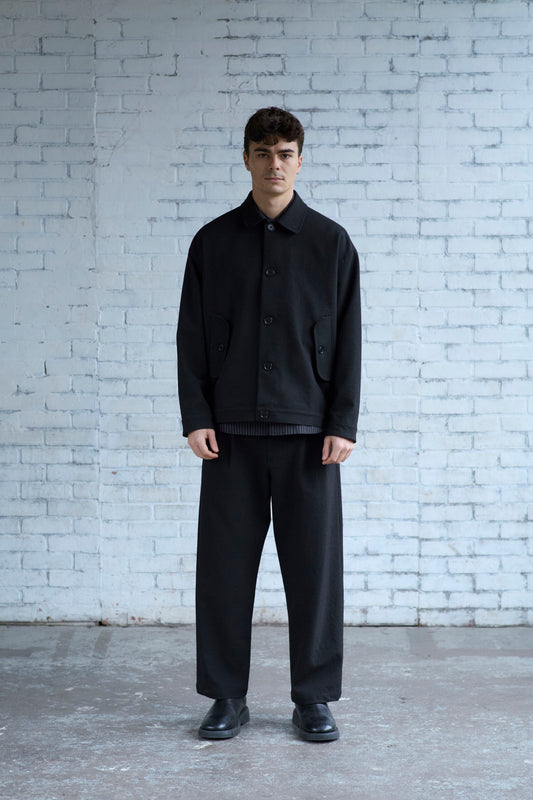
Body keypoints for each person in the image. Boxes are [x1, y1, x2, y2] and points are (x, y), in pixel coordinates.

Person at [177, 107, 361, 742]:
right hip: (229, 435)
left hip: (310, 436)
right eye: (263, 153)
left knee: (315, 574)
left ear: (300, 161)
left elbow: (349, 340)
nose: (274, 165)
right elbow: (191, 336)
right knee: (223, 572)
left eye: (285, 153)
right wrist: (196, 416)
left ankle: (314, 697)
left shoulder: (331, 243)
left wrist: (343, 421)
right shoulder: (213, 242)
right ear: (246, 159)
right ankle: (226, 696)